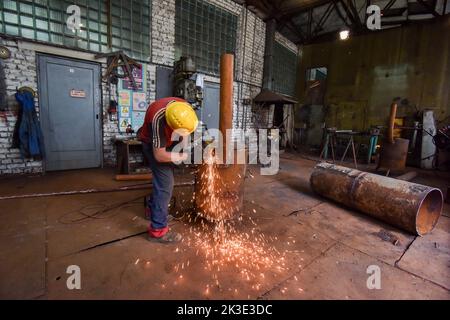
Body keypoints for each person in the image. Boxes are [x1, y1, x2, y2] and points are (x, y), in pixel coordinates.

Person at [138, 97, 198, 243]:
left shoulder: (185, 110)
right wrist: (182, 156)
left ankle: (153, 210)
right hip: (150, 143)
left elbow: (185, 135)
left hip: (169, 140)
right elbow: (159, 155)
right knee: (165, 184)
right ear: (171, 125)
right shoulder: (158, 119)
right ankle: (157, 231)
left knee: (163, 180)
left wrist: (185, 149)